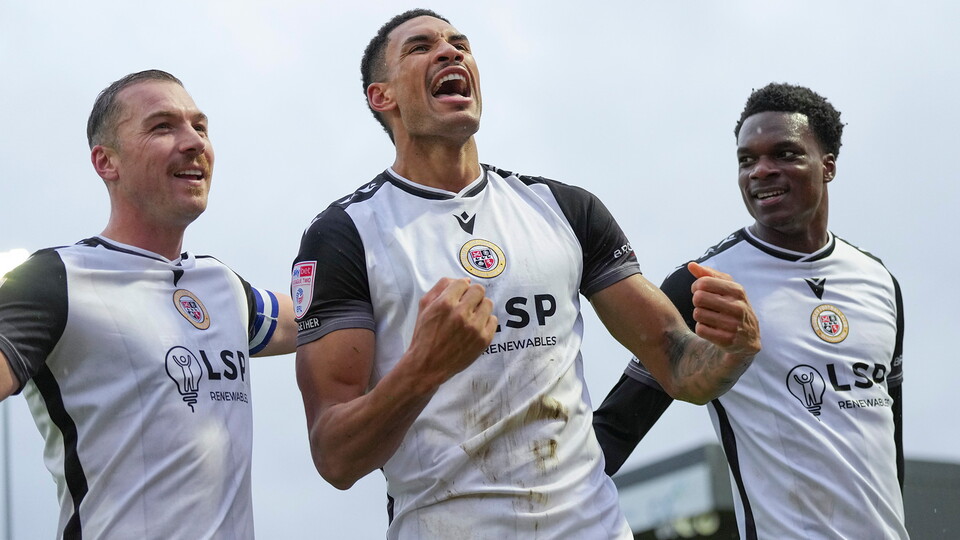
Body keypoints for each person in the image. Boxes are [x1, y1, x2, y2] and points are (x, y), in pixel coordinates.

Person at [291, 9, 761, 539]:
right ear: (382, 97)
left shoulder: (563, 208)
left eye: (459, 43)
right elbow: (334, 457)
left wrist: (733, 352)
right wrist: (424, 367)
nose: (451, 52)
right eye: (421, 47)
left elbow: (678, 364)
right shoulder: (345, 234)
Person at [593, 83, 908, 539]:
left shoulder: (880, 281)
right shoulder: (704, 282)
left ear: (828, 166)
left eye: (785, 154)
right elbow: (618, 426)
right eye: (747, 160)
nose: (761, 171)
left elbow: (889, 433)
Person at [0, 69, 297, 539]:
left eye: (200, 126)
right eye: (163, 127)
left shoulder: (221, 285)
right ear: (106, 162)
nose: (193, 142)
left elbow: (321, 316)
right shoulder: (55, 278)